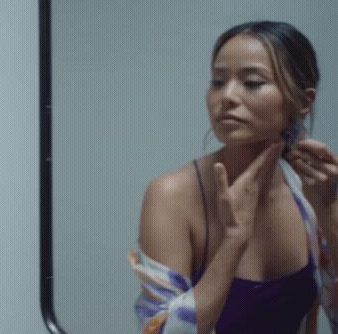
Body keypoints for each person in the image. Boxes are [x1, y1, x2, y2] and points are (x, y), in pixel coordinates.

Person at [130, 21, 338, 333]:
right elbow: (156, 330)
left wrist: (327, 210)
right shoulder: (172, 195)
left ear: (303, 101)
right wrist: (233, 240)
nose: (227, 96)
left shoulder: (312, 188)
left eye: (252, 83)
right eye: (217, 81)